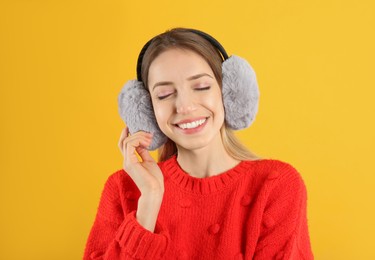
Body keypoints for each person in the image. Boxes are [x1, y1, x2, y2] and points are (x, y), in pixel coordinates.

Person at [83, 28, 314, 259]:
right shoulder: (124, 188)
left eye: (201, 87)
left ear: (229, 93)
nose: (184, 106)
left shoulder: (276, 185)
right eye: (164, 94)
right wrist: (149, 203)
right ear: (146, 111)